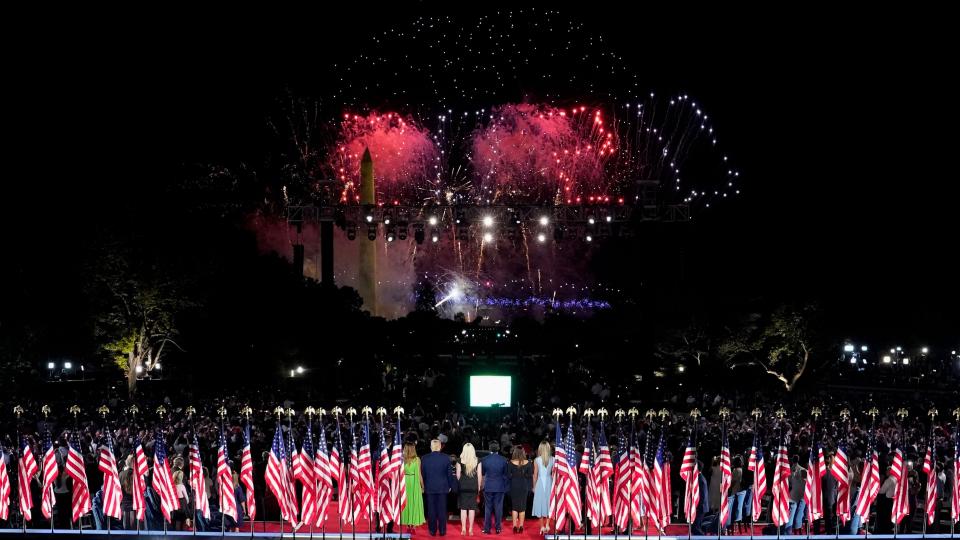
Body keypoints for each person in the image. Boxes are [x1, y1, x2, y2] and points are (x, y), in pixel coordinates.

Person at [422, 439, 456, 536]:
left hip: (429, 487)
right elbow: (449, 474)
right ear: (440, 447)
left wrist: (423, 486)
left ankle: (432, 531)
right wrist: (450, 486)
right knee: (442, 510)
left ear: (431, 447)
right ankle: (442, 531)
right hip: (442, 487)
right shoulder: (446, 458)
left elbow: (423, 475)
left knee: (431, 510)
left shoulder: (425, 458)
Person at [481, 441, 509, 534]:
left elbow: (483, 473)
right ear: (498, 449)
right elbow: (505, 474)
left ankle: (487, 529)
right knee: (498, 508)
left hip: (488, 486)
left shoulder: (484, 459)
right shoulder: (504, 460)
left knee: (488, 508)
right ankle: (498, 528)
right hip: (500, 487)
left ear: (489, 449)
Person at [507, 446, 534, 533]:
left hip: (514, 486)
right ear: (523, 453)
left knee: (514, 507)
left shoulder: (510, 463)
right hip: (523, 486)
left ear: (514, 453)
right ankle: (521, 526)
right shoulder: (528, 463)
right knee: (522, 507)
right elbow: (530, 475)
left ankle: (515, 526)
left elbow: (508, 475)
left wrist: (514, 476)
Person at [401, 442, 426, 533]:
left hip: (405, 483)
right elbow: (419, 475)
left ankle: (408, 525)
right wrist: (423, 486)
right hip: (414, 483)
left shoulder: (402, 459)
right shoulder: (417, 460)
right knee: (414, 502)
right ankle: (413, 526)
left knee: (407, 503)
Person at [457, 443, 481, 536]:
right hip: (473, 486)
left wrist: (463, 482)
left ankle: (463, 529)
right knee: (472, 509)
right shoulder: (478, 461)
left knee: (463, 509)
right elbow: (479, 476)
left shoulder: (459, 461)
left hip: (463, 486)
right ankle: (470, 529)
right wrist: (478, 487)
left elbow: (458, 476)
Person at [531, 441, 554, 534]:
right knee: (549, 504)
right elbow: (554, 474)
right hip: (549, 482)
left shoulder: (537, 460)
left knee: (540, 504)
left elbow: (535, 475)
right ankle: (547, 525)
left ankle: (542, 527)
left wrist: (533, 487)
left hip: (540, 483)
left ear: (540, 449)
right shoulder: (553, 459)